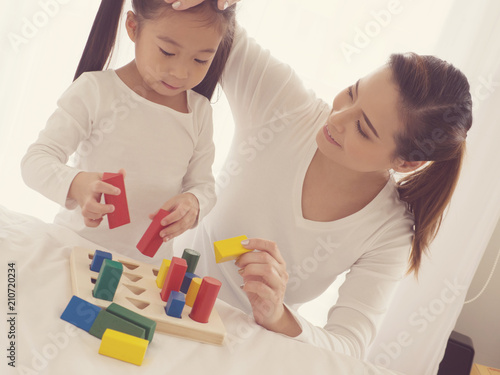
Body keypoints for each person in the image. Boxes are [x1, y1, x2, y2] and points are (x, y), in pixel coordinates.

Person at [166, 0, 473, 359]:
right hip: (165, 296)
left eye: (362, 128)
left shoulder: (389, 231)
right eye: (353, 92)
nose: (337, 117)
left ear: (406, 162)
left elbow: (349, 346)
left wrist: (278, 314)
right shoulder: (286, 107)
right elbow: (212, 28)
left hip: (241, 352)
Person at [21, 0, 236, 262]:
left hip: (145, 269)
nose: (180, 72)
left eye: (201, 59)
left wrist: (193, 202)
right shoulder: (95, 90)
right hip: (75, 251)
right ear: (133, 27)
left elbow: (202, 185)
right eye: (167, 52)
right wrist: (76, 184)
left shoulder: (199, 112)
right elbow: (35, 161)